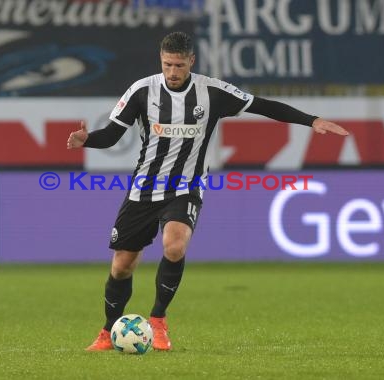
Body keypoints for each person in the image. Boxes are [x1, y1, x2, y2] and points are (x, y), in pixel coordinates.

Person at [67, 31, 349, 352]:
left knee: (174, 246)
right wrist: (86, 140)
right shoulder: (142, 91)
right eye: (167, 65)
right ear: (161, 61)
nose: (173, 72)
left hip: (186, 187)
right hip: (144, 189)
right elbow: (113, 135)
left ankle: (158, 320)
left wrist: (311, 121)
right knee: (122, 266)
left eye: (179, 66)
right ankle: (107, 331)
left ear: (191, 61)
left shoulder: (212, 92)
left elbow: (263, 105)